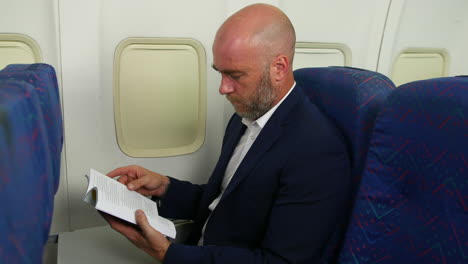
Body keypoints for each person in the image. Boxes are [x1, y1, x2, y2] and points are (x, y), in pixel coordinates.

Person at [102, 3, 351, 263]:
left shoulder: (319, 152)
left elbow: (280, 261)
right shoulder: (244, 117)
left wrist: (167, 253)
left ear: (279, 68)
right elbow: (224, 200)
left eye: (235, 75)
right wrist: (164, 187)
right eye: (220, 72)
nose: (223, 88)